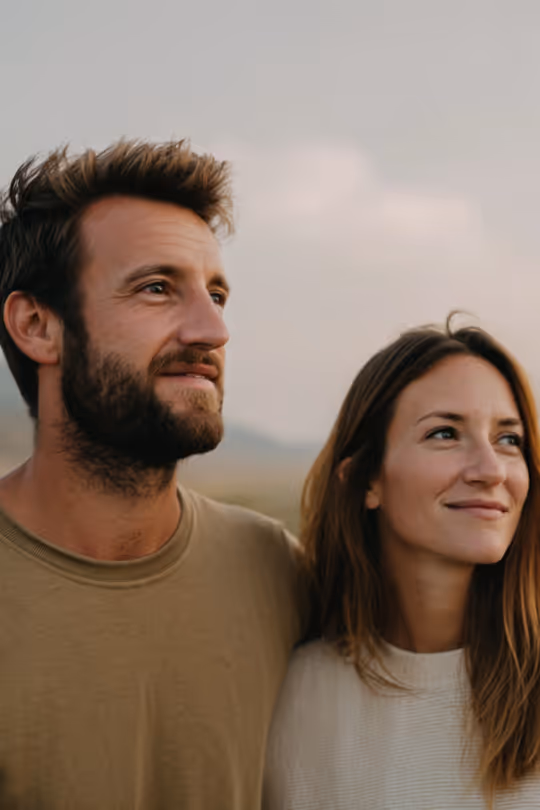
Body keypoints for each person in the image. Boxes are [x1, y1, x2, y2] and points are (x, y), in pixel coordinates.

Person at [0, 140, 304, 809]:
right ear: (37, 325)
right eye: (157, 288)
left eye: (217, 293)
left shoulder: (281, 575)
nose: (213, 328)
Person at [264, 319, 540, 809]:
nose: (491, 469)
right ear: (366, 480)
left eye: (509, 439)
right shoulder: (291, 699)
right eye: (445, 433)